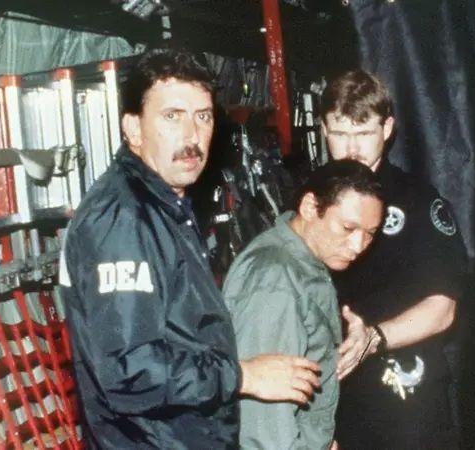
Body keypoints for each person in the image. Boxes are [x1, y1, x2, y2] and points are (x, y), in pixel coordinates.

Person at [58, 48, 321, 449]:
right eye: (172, 116)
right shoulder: (124, 219)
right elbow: (129, 371)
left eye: (203, 117)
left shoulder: (165, 205)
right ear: (133, 128)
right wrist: (244, 376)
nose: (191, 136)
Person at [320, 69, 468, 448]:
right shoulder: (309, 202)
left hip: (404, 393)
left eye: (363, 133)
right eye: (340, 133)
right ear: (323, 130)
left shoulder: (417, 202)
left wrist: (374, 338)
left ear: (387, 129)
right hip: (332, 393)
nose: (351, 148)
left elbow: (443, 308)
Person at [222, 160, 383, 449]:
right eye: (348, 227)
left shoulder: (303, 261)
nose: (358, 246)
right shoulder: (276, 278)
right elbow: (265, 429)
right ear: (310, 207)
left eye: (369, 233)